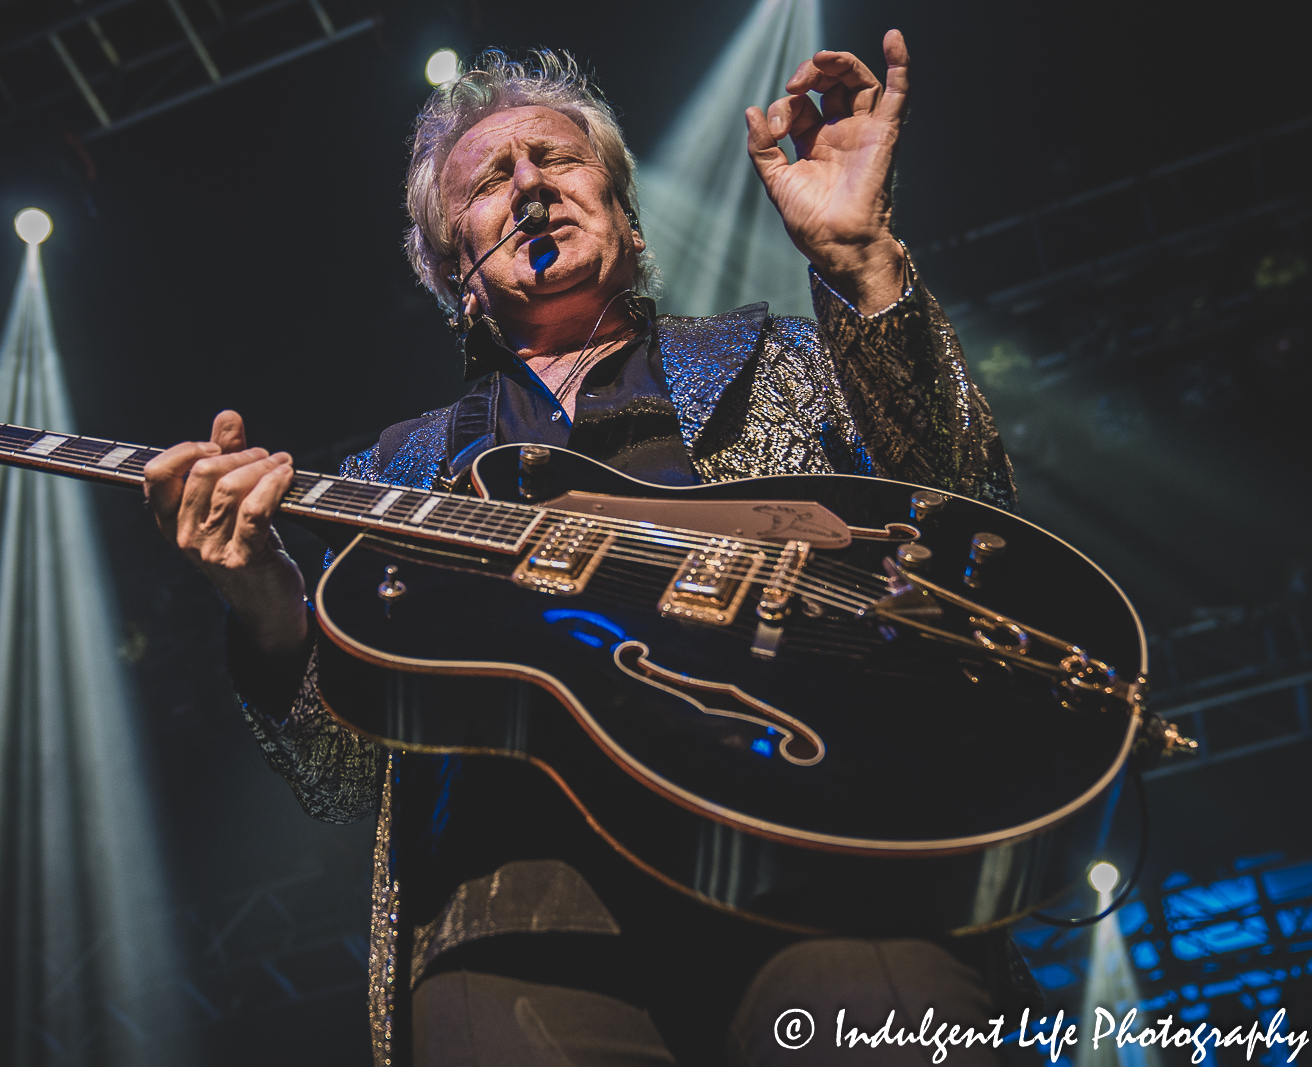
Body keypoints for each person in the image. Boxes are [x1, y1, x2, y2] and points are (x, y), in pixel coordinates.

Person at [146, 33, 1025, 1066]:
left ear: (621, 213)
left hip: (811, 829)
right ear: (454, 276)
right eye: (490, 178)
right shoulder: (396, 475)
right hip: (510, 894)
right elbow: (338, 776)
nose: (529, 186)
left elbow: (971, 520)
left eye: (557, 162)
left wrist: (862, 260)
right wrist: (262, 603)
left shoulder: (776, 357)